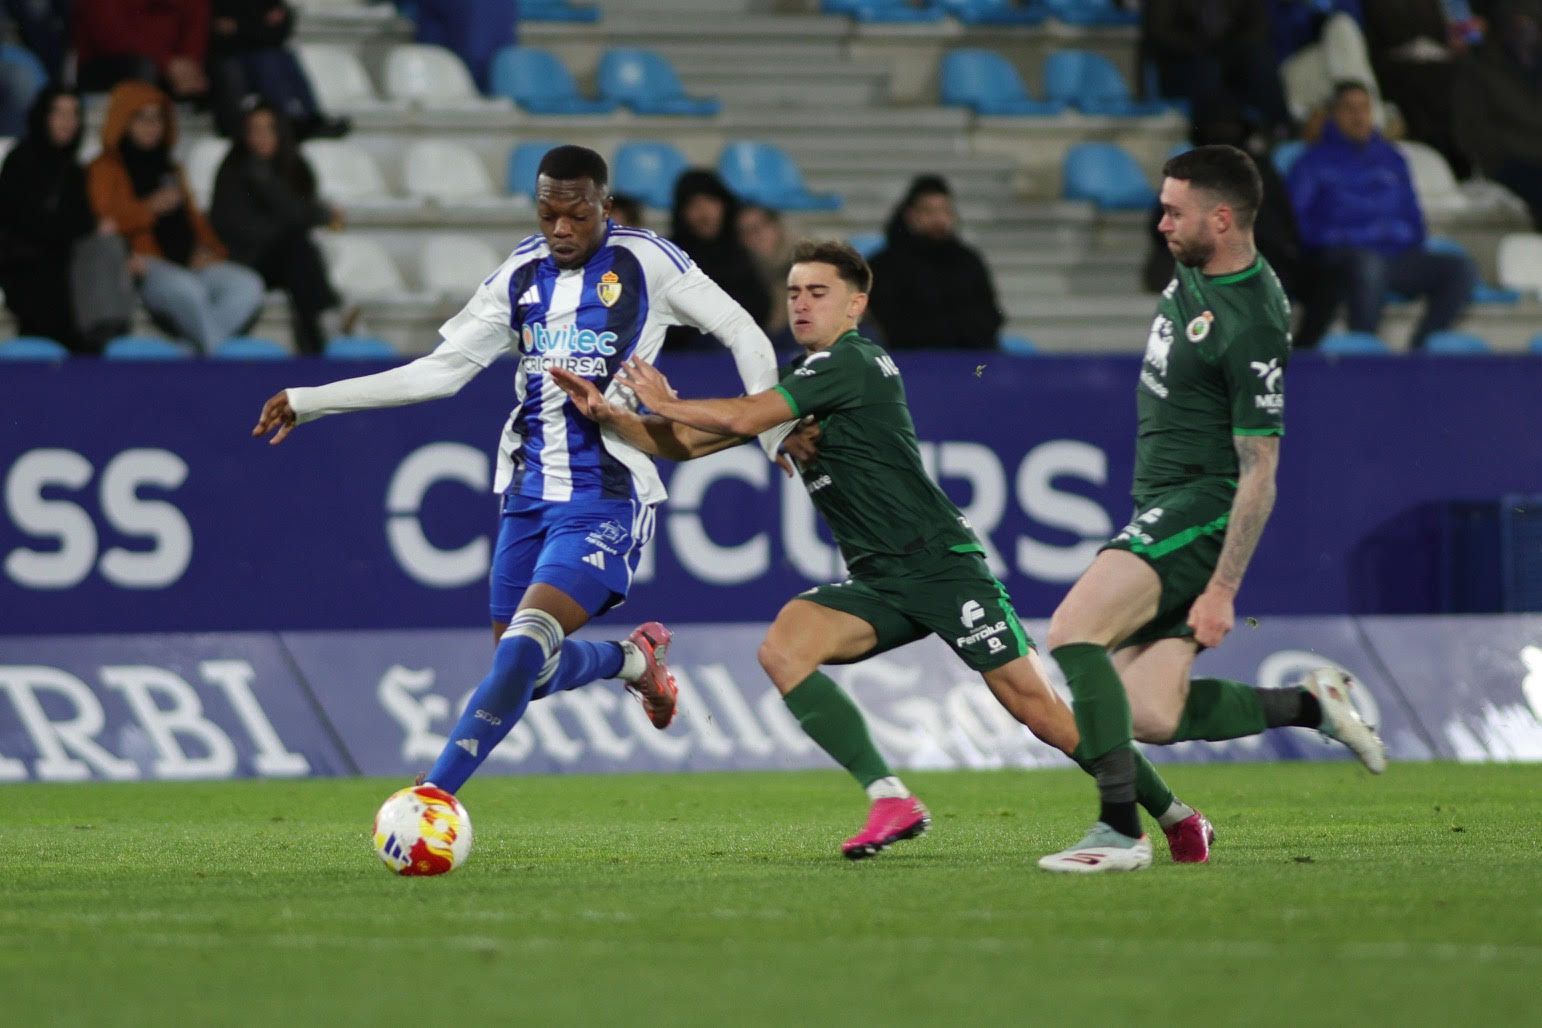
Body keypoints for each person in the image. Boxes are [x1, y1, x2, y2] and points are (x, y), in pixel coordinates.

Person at [551, 240, 1205, 862]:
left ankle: (1177, 816)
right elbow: (688, 446)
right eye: (794, 293)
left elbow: (741, 419)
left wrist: (671, 401)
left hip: (942, 567)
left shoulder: (853, 362)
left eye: (818, 292)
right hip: (880, 580)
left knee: (1045, 716)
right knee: (784, 648)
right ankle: (890, 797)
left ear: (855, 304)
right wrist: (615, 418)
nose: (801, 304)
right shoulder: (803, 381)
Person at [250, 145, 792, 797]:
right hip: (527, 496)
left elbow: (742, 331)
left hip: (606, 494)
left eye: (577, 215)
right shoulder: (520, 274)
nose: (561, 229)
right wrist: (312, 400)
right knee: (527, 671)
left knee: (524, 648)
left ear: (606, 207)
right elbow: (439, 373)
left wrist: (772, 427)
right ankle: (633, 660)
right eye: (547, 214)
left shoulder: (648, 262)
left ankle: (434, 794)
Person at [1038, 146, 1386, 874]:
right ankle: (1310, 706)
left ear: (1221, 220)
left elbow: (1261, 470)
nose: (1160, 223)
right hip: (1160, 501)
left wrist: (1222, 589)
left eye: (1174, 212)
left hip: (1200, 507)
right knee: (1149, 714)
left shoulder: (1251, 320)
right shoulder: (1196, 265)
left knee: (1072, 632)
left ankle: (1119, 832)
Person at [1287, 81, 1478, 349]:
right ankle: (1363, 350)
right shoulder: (1311, 162)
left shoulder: (1392, 159)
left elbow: (1414, 218)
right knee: (1369, 264)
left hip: (1396, 256)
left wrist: (1400, 237)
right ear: (1333, 114)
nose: (1358, 116)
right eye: (1349, 108)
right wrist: (1353, 238)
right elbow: (1296, 223)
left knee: (1459, 268)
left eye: (1364, 108)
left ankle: (1421, 351)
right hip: (1342, 258)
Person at [88, 81, 265, 353]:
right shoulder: (104, 169)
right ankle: (220, 359)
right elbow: (103, 223)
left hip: (190, 262)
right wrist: (149, 208)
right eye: (142, 118)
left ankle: (192, 353)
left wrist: (209, 250)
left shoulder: (171, 168)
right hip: (146, 264)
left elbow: (194, 219)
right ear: (124, 120)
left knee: (248, 285)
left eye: (157, 118)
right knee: (187, 291)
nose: (151, 126)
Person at [0, 86, 133, 354]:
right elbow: (28, 223)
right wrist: (86, 227)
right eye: (59, 113)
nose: (67, 121)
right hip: (25, 263)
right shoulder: (21, 162)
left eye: (73, 114)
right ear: (43, 116)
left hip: (67, 261)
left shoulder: (73, 170)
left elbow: (78, 219)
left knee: (107, 248)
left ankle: (104, 337)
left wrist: (89, 227)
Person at [212, 100, 348, 355]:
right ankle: (327, 320)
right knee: (297, 247)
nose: (261, 137)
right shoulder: (234, 169)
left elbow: (301, 212)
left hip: (287, 258)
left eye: (269, 129)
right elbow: (238, 227)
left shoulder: (295, 166)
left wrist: (297, 215)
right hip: (248, 259)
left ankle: (317, 337)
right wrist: (266, 184)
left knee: (298, 256)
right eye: (255, 129)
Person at [866, 176, 1003, 351]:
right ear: (911, 215)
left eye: (945, 211)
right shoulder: (884, 265)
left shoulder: (968, 261)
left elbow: (989, 313)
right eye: (929, 211)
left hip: (968, 357)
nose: (939, 219)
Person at [1143, 0, 1293, 137]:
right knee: (1208, 70)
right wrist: (1201, 47)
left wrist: (1229, 49)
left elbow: (1259, 27)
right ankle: (1219, 135)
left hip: (1232, 55)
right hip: (1184, 62)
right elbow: (1160, 32)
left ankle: (1280, 126)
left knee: (1261, 59)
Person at [207, 0, 350, 140]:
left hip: (264, 51)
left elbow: (283, 25)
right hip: (232, 56)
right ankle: (287, 121)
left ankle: (310, 117)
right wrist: (259, 28)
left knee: (283, 56)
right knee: (267, 60)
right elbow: (221, 32)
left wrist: (242, 27)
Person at [1455, 0, 1542, 229]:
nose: (1526, 30)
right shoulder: (1480, 67)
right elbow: (1471, 129)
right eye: (1518, 23)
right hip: (1510, 164)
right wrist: (1500, 160)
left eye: (1531, 23)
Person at [1362, 0, 1472, 179]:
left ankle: (1460, 159)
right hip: (1397, 68)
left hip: (1442, 65)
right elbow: (1380, 37)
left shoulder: (1448, 3)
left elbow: (1464, 35)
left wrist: (1463, 35)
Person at [667, 169, 769, 349]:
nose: (704, 212)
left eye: (710, 201)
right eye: (693, 205)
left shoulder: (742, 251)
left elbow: (760, 307)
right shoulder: (669, 257)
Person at [73, 0, 210, 100]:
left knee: (217, 65)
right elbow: (110, 36)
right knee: (144, 68)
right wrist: (166, 63)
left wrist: (190, 62)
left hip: (175, 67)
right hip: (108, 64)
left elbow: (196, 21)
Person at [736, 203, 793, 344]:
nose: (754, 237)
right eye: (745, 232)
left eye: (758, 228)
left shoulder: (810, 263)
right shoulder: (743, 273)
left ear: (776, 226)